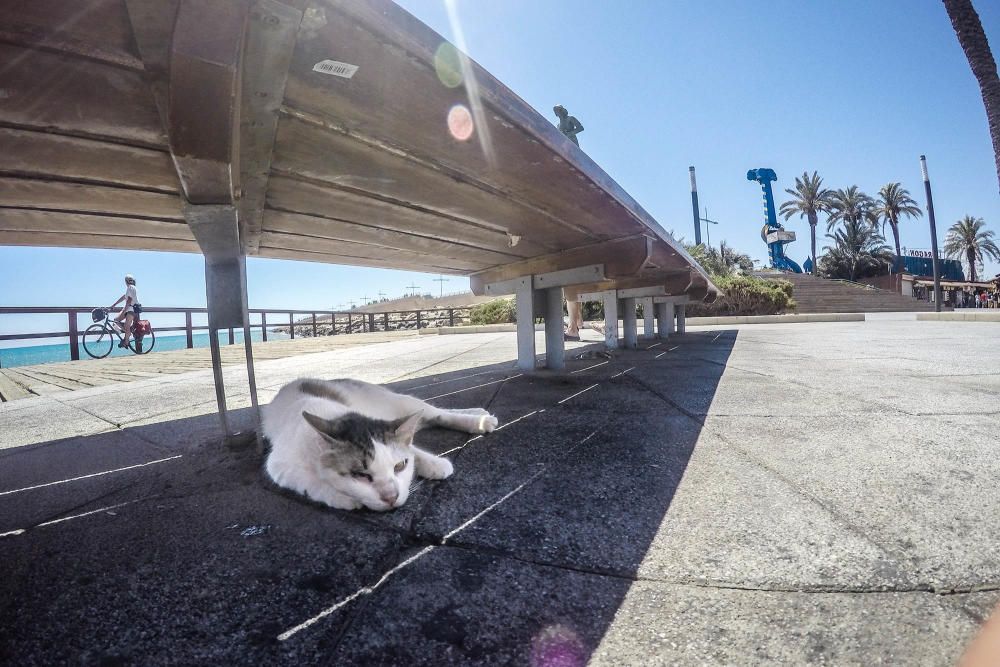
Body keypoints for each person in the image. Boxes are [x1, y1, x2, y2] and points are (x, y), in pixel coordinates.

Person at [109, 274, 138, 349]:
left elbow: (129, 300)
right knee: (116, 321)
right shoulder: (132, 288)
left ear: (126, 281)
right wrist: (114, 304)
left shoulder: (130, 288)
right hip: (129, 309)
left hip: (130, 309)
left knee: (125, 325)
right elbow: (124, 297)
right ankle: (128, 334)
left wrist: (124, 309)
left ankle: (126, 341)